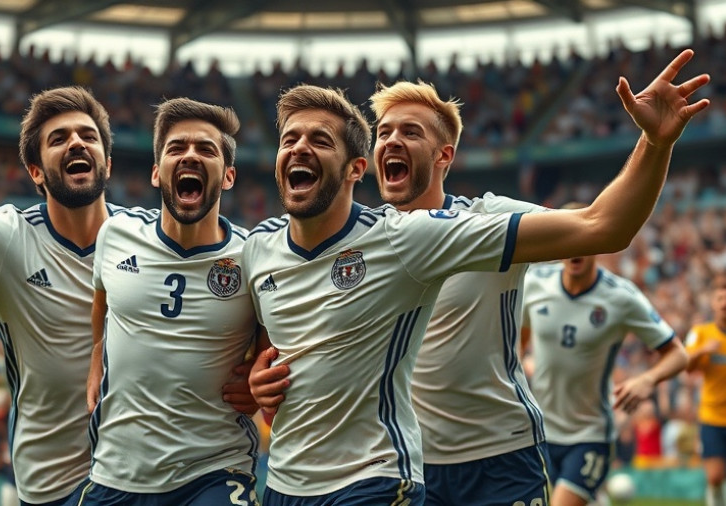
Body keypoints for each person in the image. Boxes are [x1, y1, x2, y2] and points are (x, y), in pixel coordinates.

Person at [244, 48, 707, 503]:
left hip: (498, 456)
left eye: (410, 131)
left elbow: (603, 226)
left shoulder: (487, 219)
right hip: (409, 460)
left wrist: (656, 142)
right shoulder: (367, 244)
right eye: (383, 132)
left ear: (444, 155)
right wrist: (262, 378)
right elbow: (295, 339)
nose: (391, 141)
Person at [0, 38, 256, 505]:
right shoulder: (5, 237)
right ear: (35, 170)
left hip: (150, 473)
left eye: (88, 136)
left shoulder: (153, 238)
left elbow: (227, 316)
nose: (76, 142)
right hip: (54, 481)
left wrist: (255, 372)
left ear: (108, 163)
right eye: (59, 138)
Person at [70, 98, 262, 505]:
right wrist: (95, 357)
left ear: (228, 176)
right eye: (177, 148)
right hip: (117, 472)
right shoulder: (115, 234)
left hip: (214, 471)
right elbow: (101, 302)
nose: (190, 155)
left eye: (206, 149)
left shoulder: (254, 257)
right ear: (157, 173)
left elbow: (272, 343)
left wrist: (257, 376)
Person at [521, 218, 688, 506]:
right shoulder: (535, 285)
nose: (576, 250)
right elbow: (519, 341)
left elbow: (678, 354)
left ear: (597, 244)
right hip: (539, 432)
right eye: (568, 242)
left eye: (583, 242)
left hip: (590, 433)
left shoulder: (620, 297)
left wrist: (647, 378)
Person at [685, 273, 726, 506]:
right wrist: (703, 351)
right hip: (712, 416)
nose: (725, 304)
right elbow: (686, 365)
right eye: (720, 299)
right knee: (715, 476)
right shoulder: (700, 333)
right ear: (713, 303)